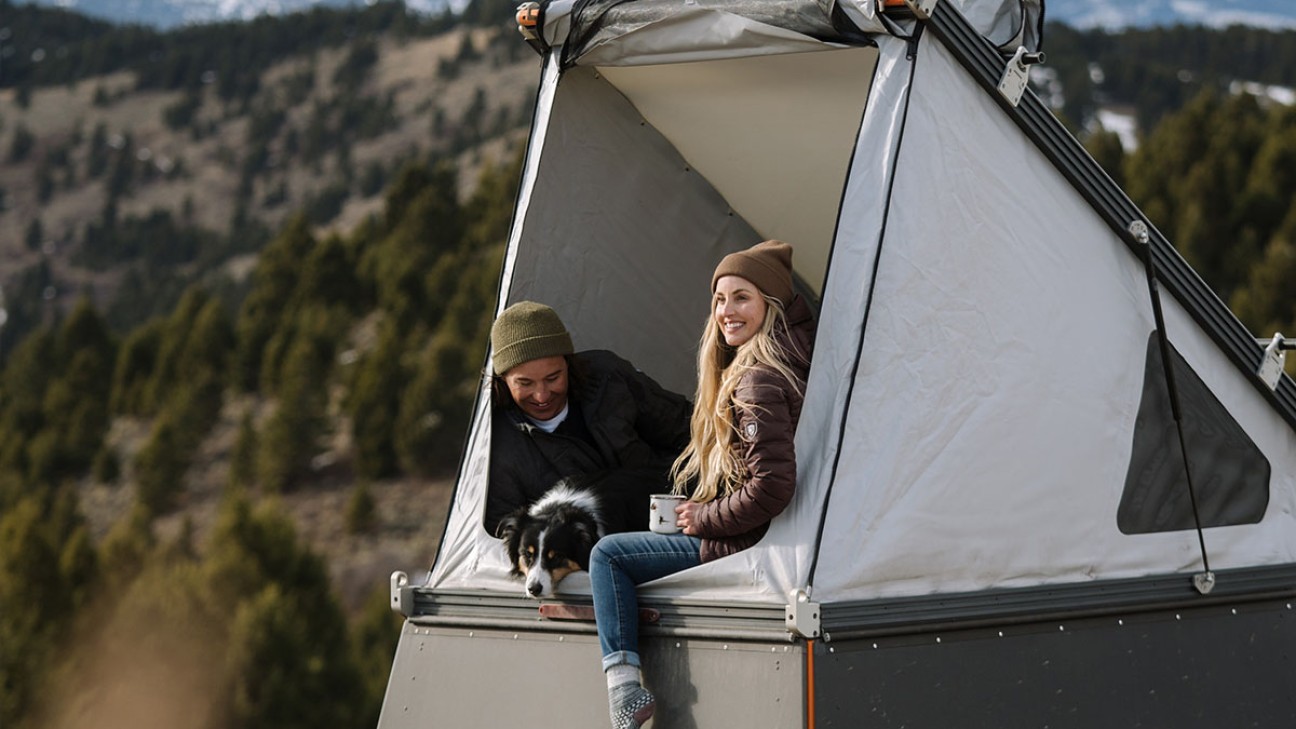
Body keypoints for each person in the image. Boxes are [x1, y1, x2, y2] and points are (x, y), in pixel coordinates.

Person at [589, 240, 816, 729]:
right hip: (746, 533)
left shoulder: (757, 380)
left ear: (770, 307)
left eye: (742, 298)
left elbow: (773, 486)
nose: (726, 311)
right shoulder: (786, 362)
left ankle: (624, 692)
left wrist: (702, 518)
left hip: (740, 542)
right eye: (719, 298)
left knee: (608, 556)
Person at [484, 300, 692, 537]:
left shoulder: (609, 379)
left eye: (553, 378)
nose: (541, 395)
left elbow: (689, 427)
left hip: (674, 519)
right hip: (585, 557)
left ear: (568, 364)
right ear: (503, 380)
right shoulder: (496, 442)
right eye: (525, 383)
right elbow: (504, 535)